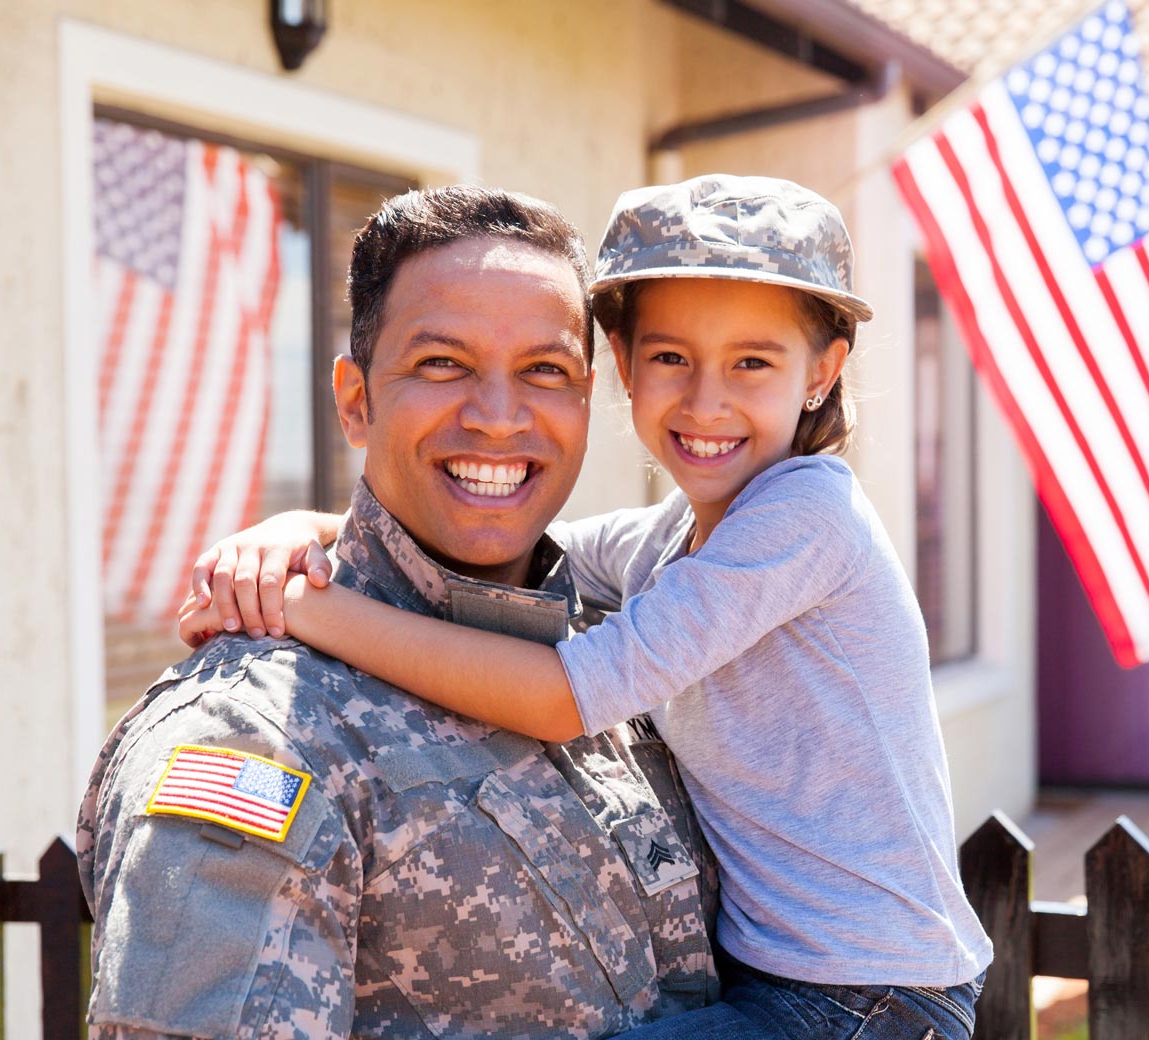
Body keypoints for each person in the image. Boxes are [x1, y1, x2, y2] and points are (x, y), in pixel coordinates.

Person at [185, 174, 993, 1040]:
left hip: (864, 997)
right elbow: (508, 525)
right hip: (784, 978)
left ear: (821, 373)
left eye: (752, 362)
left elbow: (568, 696)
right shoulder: (674, 537)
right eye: (672, 358)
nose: (706, 399)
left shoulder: (808, 517)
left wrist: (314, 610)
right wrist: (301, 530)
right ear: (624, 365)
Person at [78, 185, 722, 1040]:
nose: (500, 417)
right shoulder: (259, 733)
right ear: (355, 400)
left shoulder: (625, 644)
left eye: (545, 370)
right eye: (442, 364)